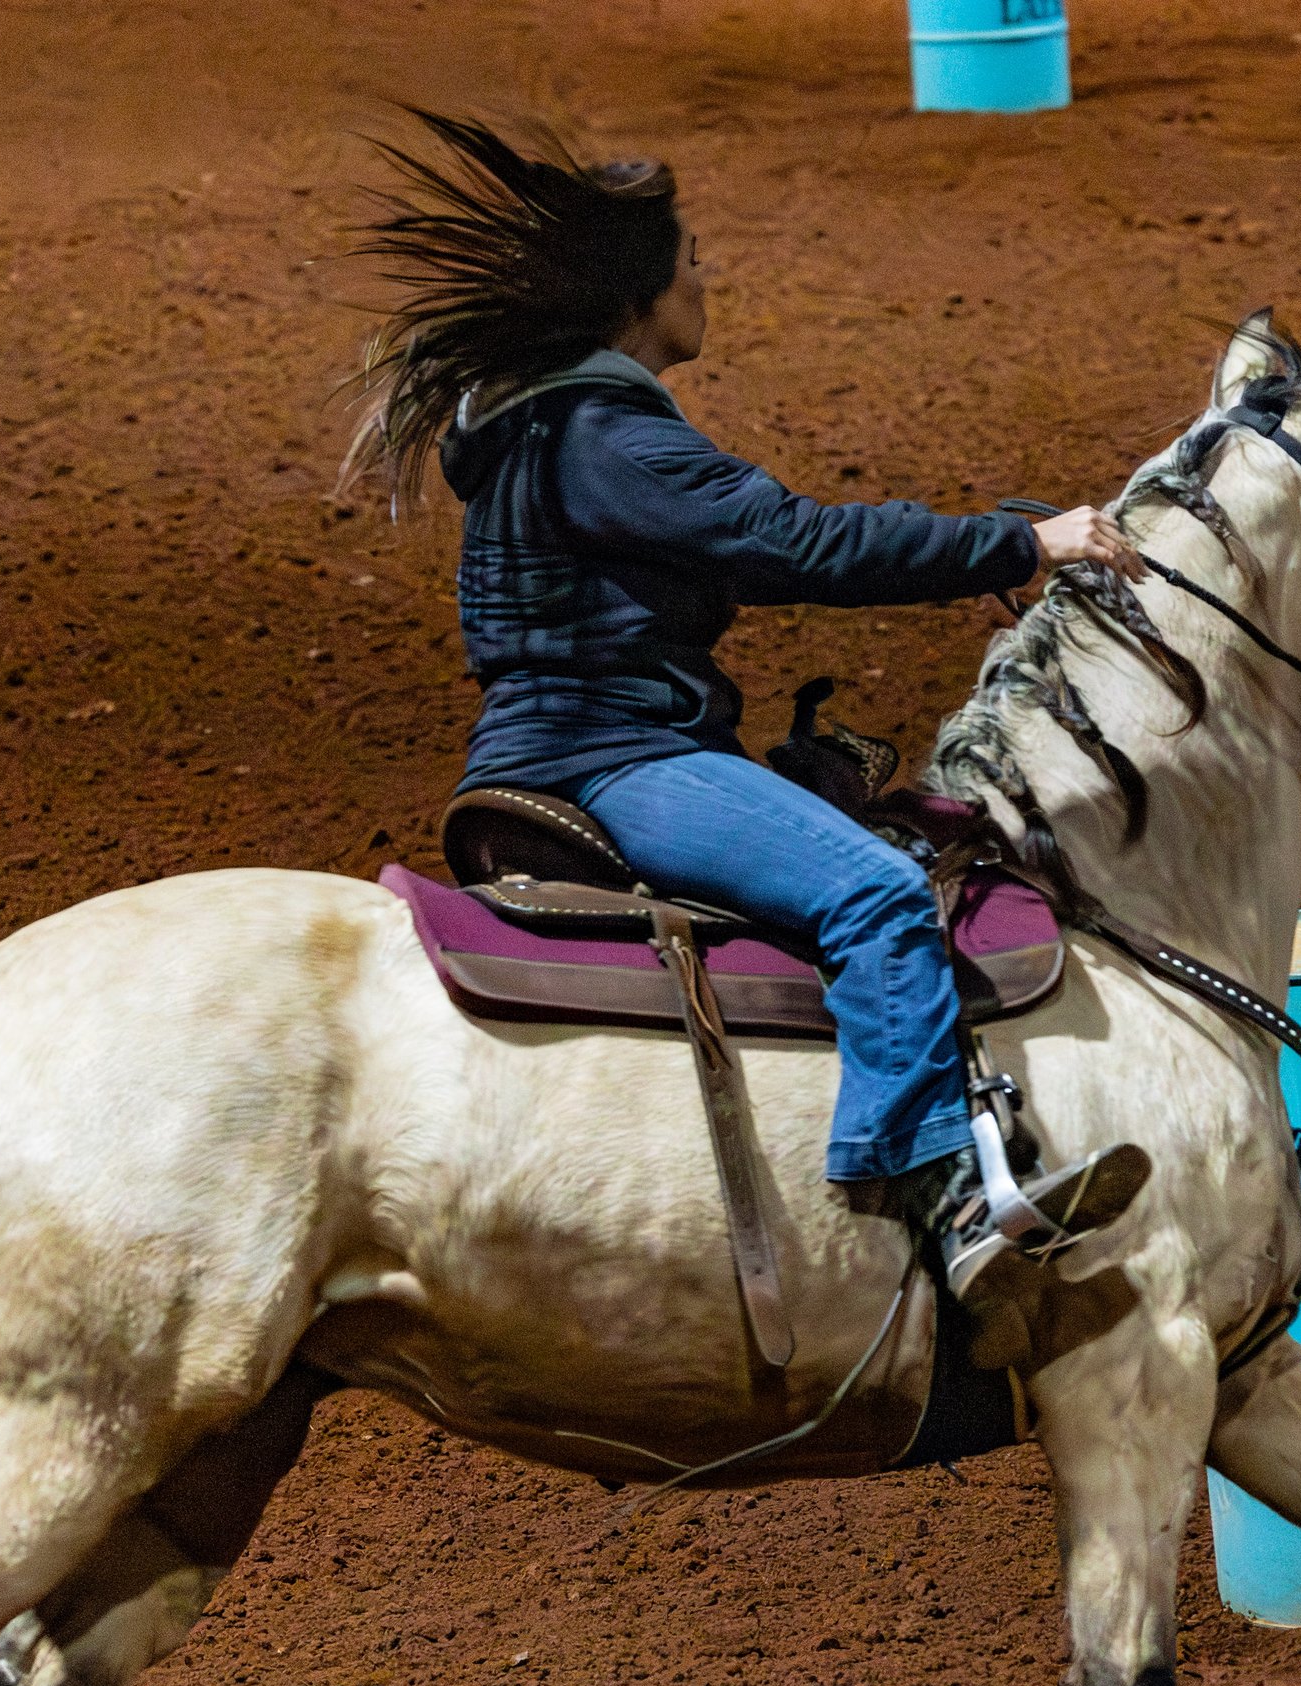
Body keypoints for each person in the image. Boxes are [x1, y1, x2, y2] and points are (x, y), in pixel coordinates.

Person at [345, 112, 1148, 1299]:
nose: (707, 278)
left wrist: (983, 551)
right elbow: (794, 539)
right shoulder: (610, 441)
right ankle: (938, 1192)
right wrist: (1020, 542)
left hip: (574, 747)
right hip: (616, 761)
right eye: (695, 260)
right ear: (642, 296)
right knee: (878, 894)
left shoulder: (542, 436)